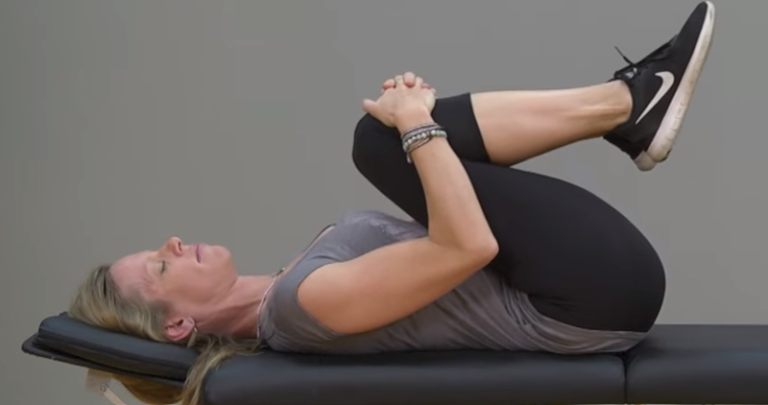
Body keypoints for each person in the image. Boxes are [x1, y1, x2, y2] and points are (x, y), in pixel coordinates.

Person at [68, 2, 715, 405]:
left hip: (589, 285)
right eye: (160, 265)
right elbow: (469, 244)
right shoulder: (301, 308)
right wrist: (415, 128)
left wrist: (423, 131)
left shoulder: (292, 289)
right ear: (178, 325)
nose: (174, 242)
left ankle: (629, 106)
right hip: (588, 297)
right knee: (380, 142)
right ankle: (628, 104)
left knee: (388, 142)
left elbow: (479, 214)